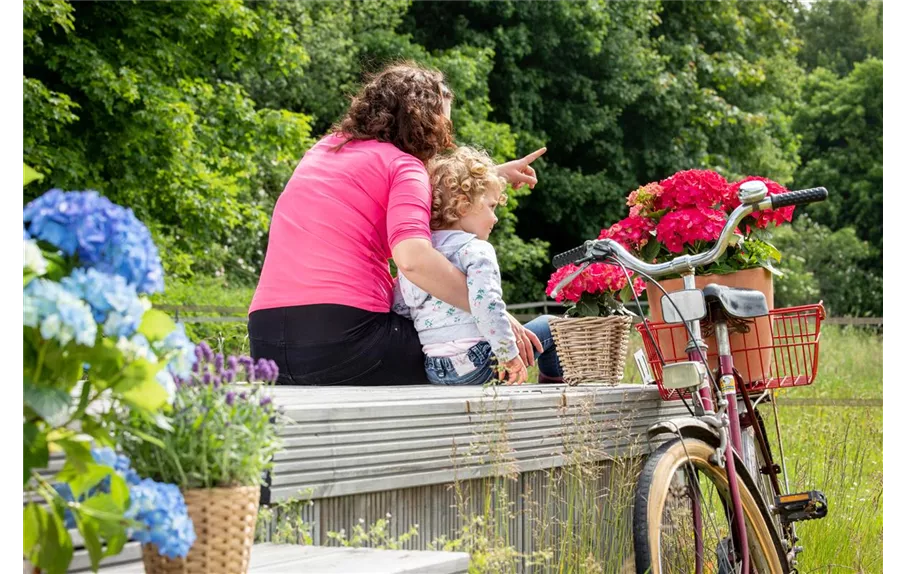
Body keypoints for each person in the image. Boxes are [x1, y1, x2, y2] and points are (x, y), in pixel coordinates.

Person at [247, 61, 546, 385]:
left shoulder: (324, 149)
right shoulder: (404, 167)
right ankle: (546, 334)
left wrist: (493, 175)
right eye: (444, 119)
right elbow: (413, 259)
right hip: (346, 342)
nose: (446, 134)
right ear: (423, 118)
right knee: (468, 349)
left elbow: (436, 191)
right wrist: (494, 315)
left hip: (266, 344)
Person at [392, 146, 563, 386]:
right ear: (463, 206)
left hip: (433, 368)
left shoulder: (418, 252)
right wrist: (509, 355)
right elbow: (487, 304)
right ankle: (555, 396)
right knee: (551, 325)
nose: (495, 218)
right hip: (479, 364)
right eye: (492, 206)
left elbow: (400, 306)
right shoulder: (476, 250)